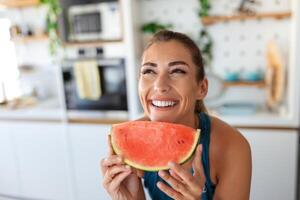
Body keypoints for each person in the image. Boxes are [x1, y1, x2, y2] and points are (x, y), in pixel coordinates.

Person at [100, 30, 252, 200]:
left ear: (201, 88)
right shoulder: (132, 139)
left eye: (177, 71)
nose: (160, 85)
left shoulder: (231, 147)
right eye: (149, 71)